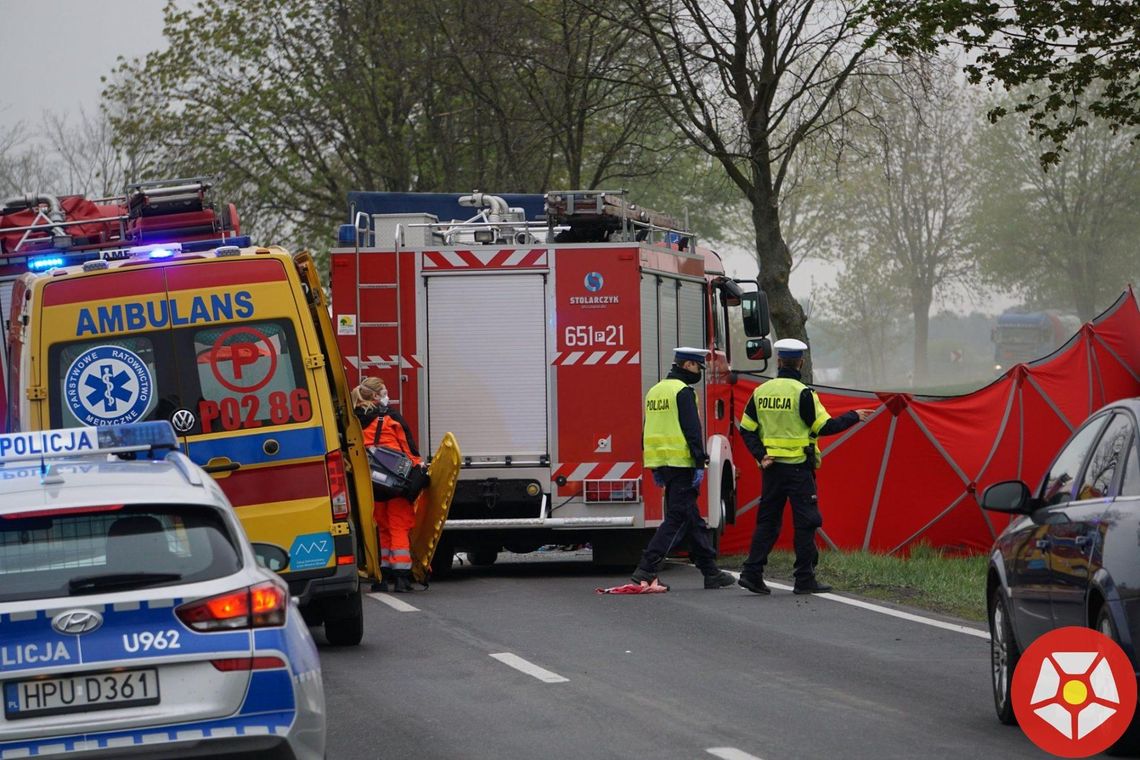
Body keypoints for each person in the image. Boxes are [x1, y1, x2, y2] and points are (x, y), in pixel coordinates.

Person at [737, 338, 874, 595]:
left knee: (767, 522)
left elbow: (746, 429)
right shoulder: (803, 393)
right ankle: (804, 578)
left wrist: (760, 455)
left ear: (778, 361)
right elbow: (825, 427)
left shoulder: (761, 392)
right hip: (798, 469)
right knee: (806, 522)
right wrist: (854, 416)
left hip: (771, 469)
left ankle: (751, 573)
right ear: (800, 362)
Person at [631, 347, 736, 590]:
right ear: (688, 364)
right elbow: (691, 430)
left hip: (662, 463)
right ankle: (646, 568)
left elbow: (648, 429)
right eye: (698, 368)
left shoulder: (655, 390)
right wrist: (700, 460)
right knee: (678, 517)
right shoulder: (683, 391)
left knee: (691, 517)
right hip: (681, 463)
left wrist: (654, 463)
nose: (699, 372)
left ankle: (710, 571)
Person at [352, 376, 422, 593]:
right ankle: (401, 577)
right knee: (399, 526)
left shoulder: (354, 421)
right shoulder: (390, 418)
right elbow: (408, 450)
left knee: (381, 527)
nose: (386, 395)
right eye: (383, 391)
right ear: (374, 395)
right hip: (396, 482)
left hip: (371, 484)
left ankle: (382, 575)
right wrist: (420, 471)